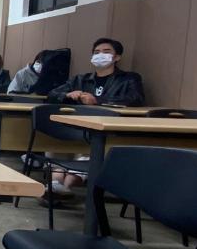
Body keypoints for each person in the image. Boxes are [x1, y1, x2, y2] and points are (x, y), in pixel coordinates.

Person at [46, 37, 145, 197]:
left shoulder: (129, 79)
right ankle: (55, 185)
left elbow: (136, 99)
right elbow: (52, 95)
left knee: (88, 154)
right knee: (58, 146)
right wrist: (67, 95)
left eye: (106, 51)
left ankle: (67, 187)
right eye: (96, 52)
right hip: (76, 128)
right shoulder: (80, 79)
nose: (100, 55)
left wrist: (98, 101)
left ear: (117, 57)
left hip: (106, 131)